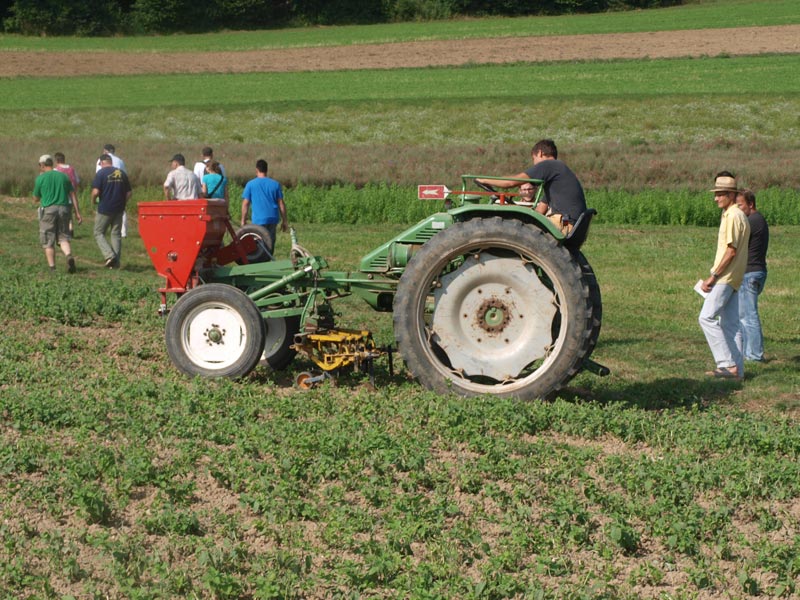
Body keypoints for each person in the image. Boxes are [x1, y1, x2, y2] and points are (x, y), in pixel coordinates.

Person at [698, 173, 750, 380]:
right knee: (730, 325)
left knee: (706, 317)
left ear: (730, 194)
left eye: (720, 194)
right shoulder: (738, 215)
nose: (716, 198)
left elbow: (731, 251)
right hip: (735, 277)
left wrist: (713, 276)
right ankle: (738, 371)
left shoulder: (733, 216)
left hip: (725, 278)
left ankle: (727, 364)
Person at [476, 139, 587, 235]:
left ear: (540, 153)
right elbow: (540, 209)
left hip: (564, 224)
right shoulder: (556, 177)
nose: (534, 164)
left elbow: (510, 183)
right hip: (569, 223)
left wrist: (484, 180)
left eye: (534, 159)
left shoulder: (549, 165)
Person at [33, 154, 82, 273]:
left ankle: (52, 268)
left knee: (48, 239)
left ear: (43, 165)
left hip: (49, 210)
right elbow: (72, 194)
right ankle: (69, 255)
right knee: (63, 236)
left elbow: (35, 198)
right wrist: (77, 212)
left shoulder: (41, 178)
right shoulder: (64, 177)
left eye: (40, 165)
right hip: (64, 209)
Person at [736, 188, 769, 362]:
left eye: (740, 205)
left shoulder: (752, 221)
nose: (738, 209)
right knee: (745, 315)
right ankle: (748, 352)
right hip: (756, 271)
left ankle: (754, 355)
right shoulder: (757, 219)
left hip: (749, 273)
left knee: (748, 316)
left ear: (751, 204)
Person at [91, 154, 132, 269]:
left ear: (102, 162)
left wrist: (93, 201)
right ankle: (116, 263)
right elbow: (129, 193)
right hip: (119, 208)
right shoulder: (121, 173)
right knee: (116, 234)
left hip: (105, 208)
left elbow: (95, 192)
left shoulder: (101, 173)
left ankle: (109, 255)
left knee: (98, 232)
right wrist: (122, 202)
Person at [241, 159, 288, 254]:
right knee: (270, 241)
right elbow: (281, 203)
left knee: (259, 242)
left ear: (256, 170)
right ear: (267, 170)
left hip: (258, 219)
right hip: (272, 218)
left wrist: (243, 220)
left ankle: (260, 261)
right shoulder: (275, 184)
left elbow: (245, 204)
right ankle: (269, 259)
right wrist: (284, 220)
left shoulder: (250, 184)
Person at [95, 144, 129, 238]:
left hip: (105, 184)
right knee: (122, 210)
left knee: (103, 208)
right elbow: (125, 174)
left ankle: (102, 229)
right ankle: (123, 232)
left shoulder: (100, 160)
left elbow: (98, 173)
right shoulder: (120, 161)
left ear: (105, 151)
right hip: (119, 185)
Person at [54, 152, 80, 234]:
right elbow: (77, 181)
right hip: (71, 194)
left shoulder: (56, 170)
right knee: (69, 212)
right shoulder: (72, 169)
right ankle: (71, 227)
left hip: (60, 195)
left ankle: (62, 229)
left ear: (56, 161)